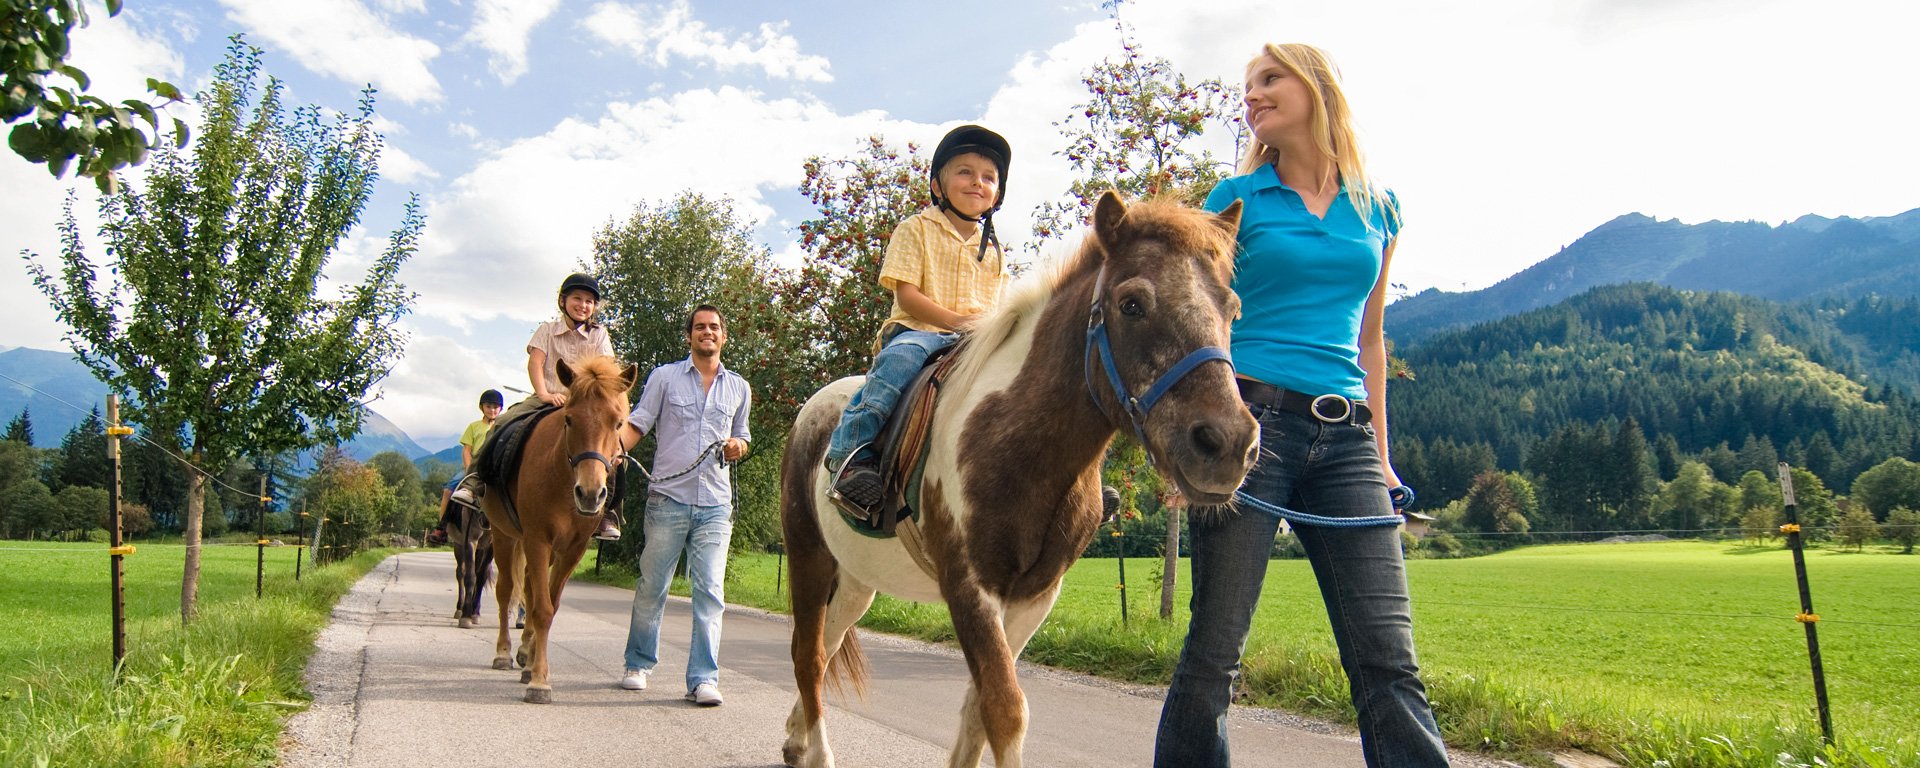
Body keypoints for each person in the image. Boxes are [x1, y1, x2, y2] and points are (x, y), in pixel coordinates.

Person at [1154, 43, 1449, 767]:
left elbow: (1371, 341)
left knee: (1387, 660)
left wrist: (1381, 459)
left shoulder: (1379, 208)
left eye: (1268, 79)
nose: (1251, 96)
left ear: (1316, 87)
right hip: (1250, 428)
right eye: (1246, 86)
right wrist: (1185, 448)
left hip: (1346, 438)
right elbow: (1194, 323)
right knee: (1215, 653)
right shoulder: (1236, 199)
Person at [825, 124, 1011, 509]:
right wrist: (960, 324)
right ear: (939, 186)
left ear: (997, 193)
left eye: (989, 177)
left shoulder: (993, 250)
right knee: (897, 363)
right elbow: (907, 296)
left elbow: (998, 308)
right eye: (965, 172)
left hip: (976, 341)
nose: (978, 182)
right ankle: (850, 455)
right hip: (920, 331)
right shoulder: (916, 229)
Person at [617, 305, 751, 706]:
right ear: (689, 336)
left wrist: (736, 446)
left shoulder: (739, 387)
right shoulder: (664, 377)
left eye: (713, 327)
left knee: (709, 591)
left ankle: (703, 679)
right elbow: (639, 422)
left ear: (723, 336)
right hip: (668, 499)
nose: (706, 333)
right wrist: (608, 452)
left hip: (715, 504)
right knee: (652, 586)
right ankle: (638, 665)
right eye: (699, 328)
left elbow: (743, 436)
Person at [451, 272, 625, 540]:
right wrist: (543, 394)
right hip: (547, 397)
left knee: (615, 450)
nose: (583, 305)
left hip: (584, 405)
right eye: (577, 298)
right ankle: (475, 481)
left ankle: (608, 513)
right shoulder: (546, 330)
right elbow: (536, 363)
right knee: (503, 423)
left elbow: (607, 374)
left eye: (589, 301)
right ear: (563, 301)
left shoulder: (600, 336)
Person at [427, 389, 503, 544]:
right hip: (474, 467)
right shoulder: (474, 427)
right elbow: (467, 450)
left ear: (501, 408)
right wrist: (469, 469)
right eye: (489, 406)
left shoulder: (503, 425)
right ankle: (442, 527)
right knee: (449, 489)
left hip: (495, 468)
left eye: (496, 407)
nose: (492, 410)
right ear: (482, 407)